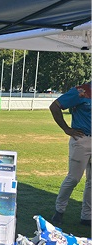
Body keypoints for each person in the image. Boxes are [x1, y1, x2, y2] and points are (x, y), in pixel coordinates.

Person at [50, 81, 91, 226]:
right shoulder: (80, 91)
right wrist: (66, 129)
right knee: (73, 178)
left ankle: (87, 216)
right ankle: (59, 211)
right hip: (82, 139)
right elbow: (54, 106)